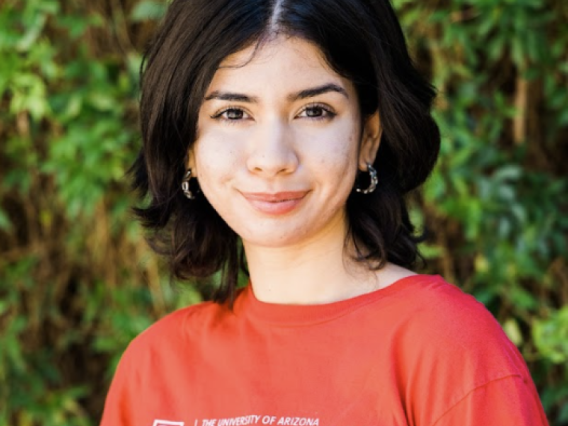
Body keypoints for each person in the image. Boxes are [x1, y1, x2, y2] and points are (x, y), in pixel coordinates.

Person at [100, 0, 549, 425]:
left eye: (314, 111)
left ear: (368, 136)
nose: (273, 158)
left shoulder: (448, 349)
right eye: (233, 113)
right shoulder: (153, 368)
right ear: (186, 146)